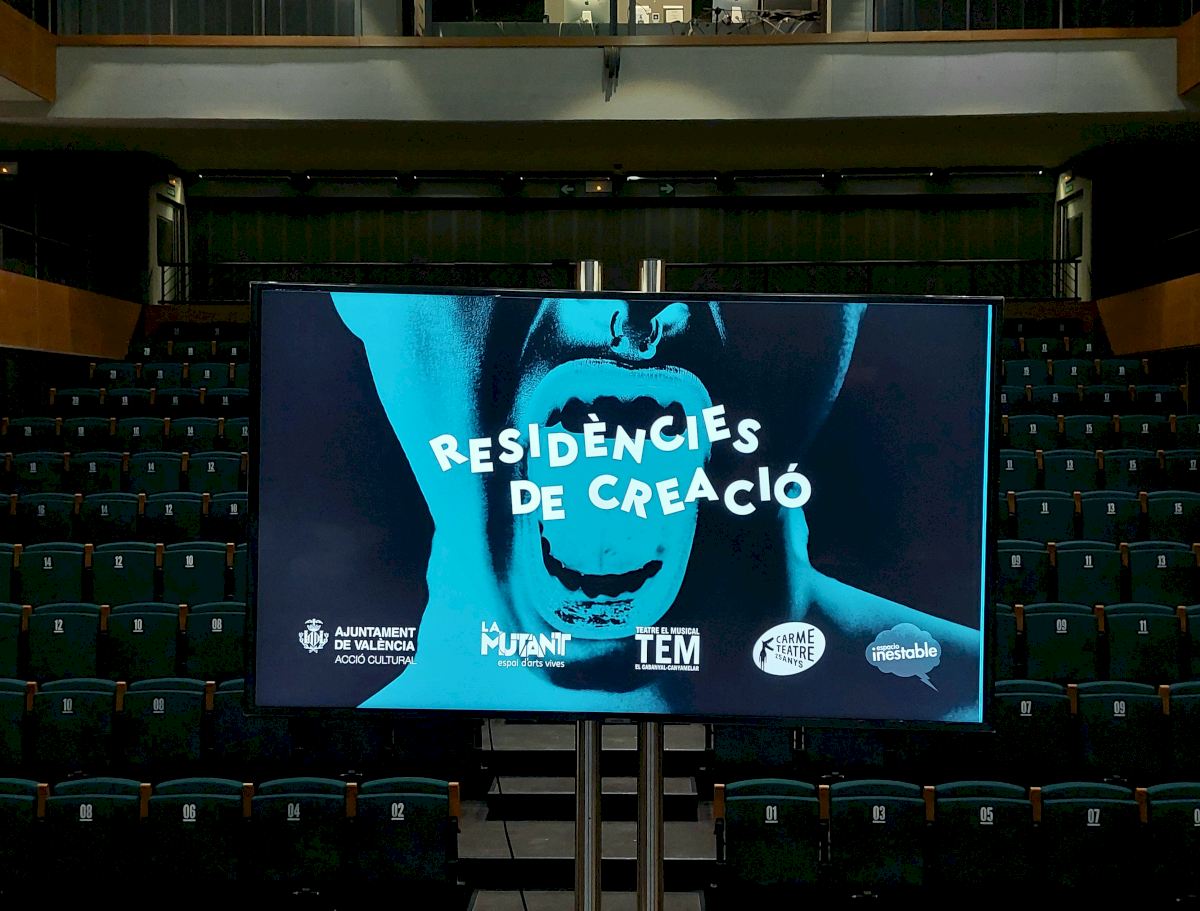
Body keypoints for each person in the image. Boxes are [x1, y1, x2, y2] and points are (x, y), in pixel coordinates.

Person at [330, 291, 985, 720]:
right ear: (354, 298)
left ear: (858, 305)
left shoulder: (974, 696)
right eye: (511, 237)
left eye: (737, 234)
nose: (629, 310)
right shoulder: (328, 767)